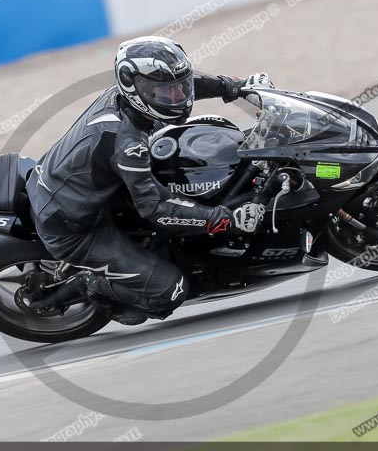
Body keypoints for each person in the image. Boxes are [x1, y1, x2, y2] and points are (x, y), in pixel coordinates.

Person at [26, 35, 272, 324]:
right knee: (169, 291)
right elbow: (154, 208)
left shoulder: (128, 97)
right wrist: (224, 219)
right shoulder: (128, 144)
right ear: (135, 89)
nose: (178, 97)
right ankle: (88, 284)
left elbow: (185, 85)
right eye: (166, 92)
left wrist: (234, 86)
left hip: (81, 190)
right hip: (75, 228)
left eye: (179, 87)